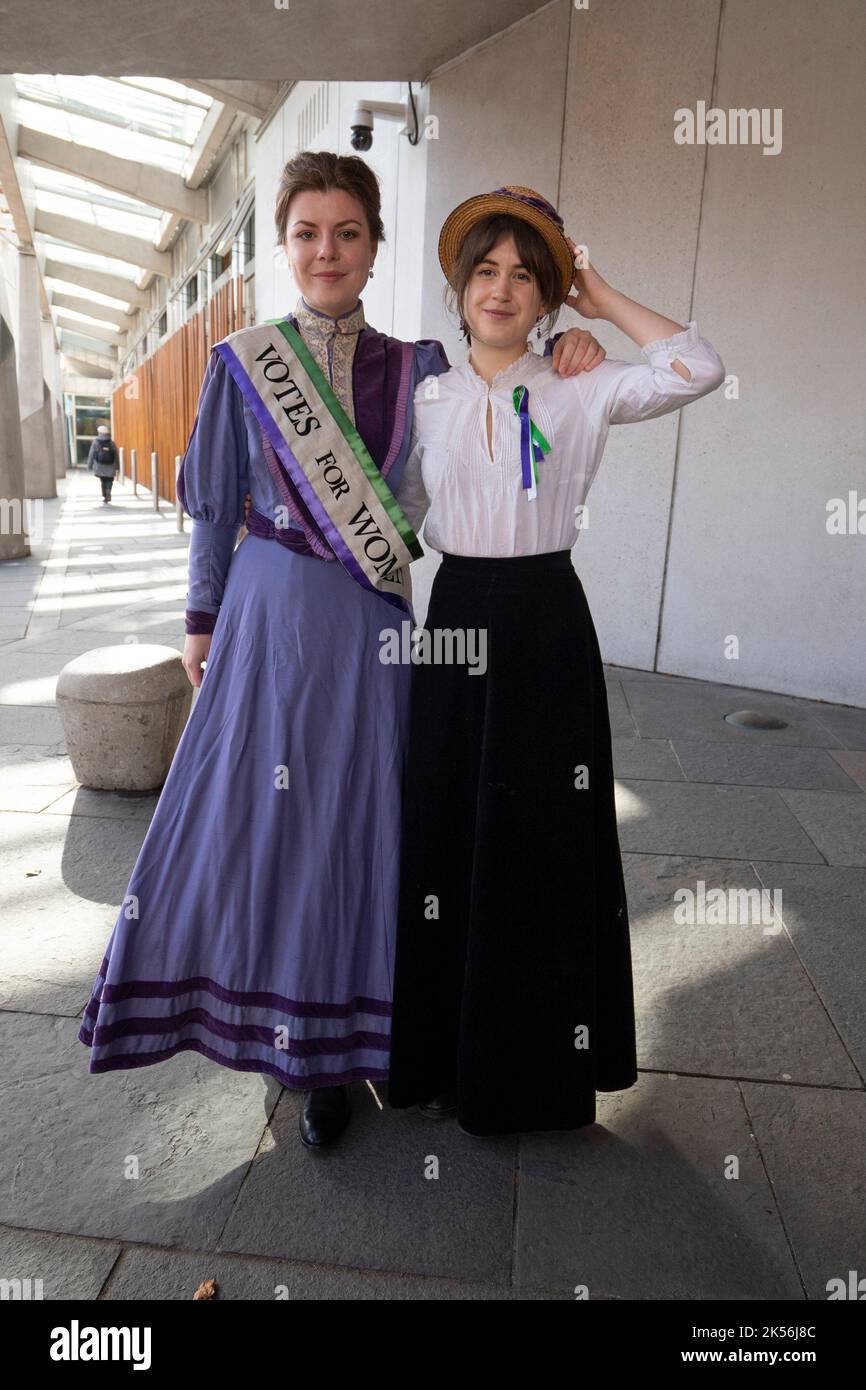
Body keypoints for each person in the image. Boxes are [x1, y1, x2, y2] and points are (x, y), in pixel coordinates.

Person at [77, 154, 605, 1150]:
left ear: (372, 246)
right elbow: (213, 505)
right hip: (270, 620)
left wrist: (566, 339)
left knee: (362, 828)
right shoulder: (243, 361)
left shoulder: (420, 368)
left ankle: (349, 1051)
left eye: (347, 232)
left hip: (372, 623)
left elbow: (505, 384)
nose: (327, 251)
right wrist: (201, 620)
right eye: (307, 233)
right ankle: (286, 1047)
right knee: (267, 828)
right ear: (284, 247)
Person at [387, 184, 727, 1137]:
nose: (502, 290)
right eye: (485, 272)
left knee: (543, 840)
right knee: (448, 832)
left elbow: (697, 366)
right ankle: (444, 1058)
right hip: (455, 616)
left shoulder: (583, 385)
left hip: (544, 621)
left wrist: (600, 299)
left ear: (545, 296)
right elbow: (395, 517)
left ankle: (538, 1076)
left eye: (524, 276)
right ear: (459, 291)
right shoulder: (427, 398)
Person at [87, 424, 118, 502]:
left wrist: (89, 465)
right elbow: (116, 455)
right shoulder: (111, 443)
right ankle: (108, 491)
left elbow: (91, 454)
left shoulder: (95, 442)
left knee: (103, 480)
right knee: (110, 480)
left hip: (99, 466)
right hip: (110, 466)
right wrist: (117, 466)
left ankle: (105, 494)